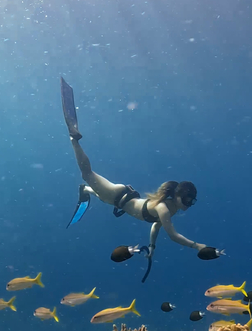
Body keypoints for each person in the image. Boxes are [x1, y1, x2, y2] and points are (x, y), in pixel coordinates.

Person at [61, 77, 206, 258]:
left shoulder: (170, 209)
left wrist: (152, 246)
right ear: (177, 196)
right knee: (87, 173)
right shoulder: (164, 208)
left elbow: (156, 225)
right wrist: (198, 246)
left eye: (192, 202)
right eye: (187, 200)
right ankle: (74, 139)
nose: (188, 204)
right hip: (118, 196)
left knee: (100, 195)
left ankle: (87, 191)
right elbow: (173, 235)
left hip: (119, 198)